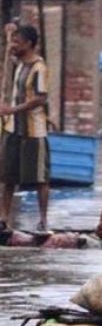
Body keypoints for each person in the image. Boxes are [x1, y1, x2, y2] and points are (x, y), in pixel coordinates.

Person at [0, 24, 50, 232]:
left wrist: (12, 109)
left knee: (40, 177)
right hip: (13, 128)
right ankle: (3, 218)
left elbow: (41, 98)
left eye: (17, 42)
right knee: (7, 176)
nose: (14, 45)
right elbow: (8, 58)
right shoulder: (19, 64)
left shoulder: (39, 67)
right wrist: (8, 35)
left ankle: (43, 220)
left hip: (33, 130)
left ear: (29, 44)